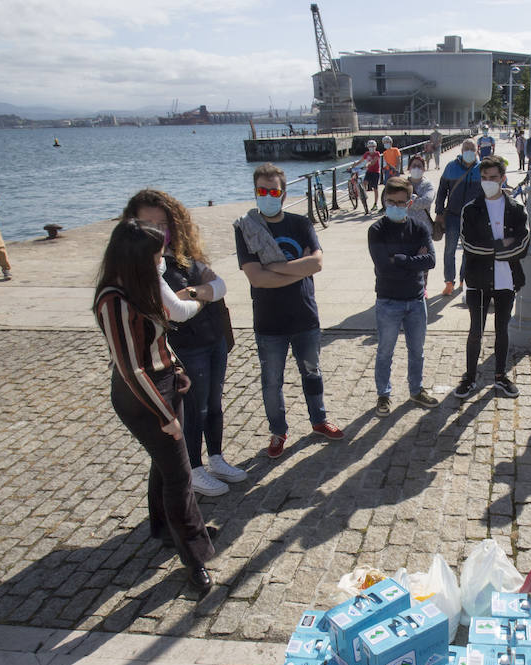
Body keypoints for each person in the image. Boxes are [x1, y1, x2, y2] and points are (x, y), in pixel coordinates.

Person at [93, 219, 215, 596]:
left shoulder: (140, 284)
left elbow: (158, 338)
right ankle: (194, 555)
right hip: (141, 397)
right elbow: (131, 368)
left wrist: (176, 368)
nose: (162, 262)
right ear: (137, 259)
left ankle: (165, 530)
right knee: (179, 475)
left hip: (162, 383)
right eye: (157, 256)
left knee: (165, 466)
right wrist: (165, 416)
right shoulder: (113, 301)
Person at [123, 189, 246, 497]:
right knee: (194, 409)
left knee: (214, 404)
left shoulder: (182, 257)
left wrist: (194, 293)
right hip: (186, 348)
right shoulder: (144, 267)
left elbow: (219, 285)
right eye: (149, 224)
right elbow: (176, 312)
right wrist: (203, 295)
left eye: (163, 224)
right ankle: (194, 468)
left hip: (213, 338)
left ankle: (216, 457)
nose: (158, 231)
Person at [234, 163, 345, 459]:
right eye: (262, 191)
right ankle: (278, 431)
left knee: (312, 372)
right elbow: (257, 278)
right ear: (255, 192)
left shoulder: (301, 224)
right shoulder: (246, 228)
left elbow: (317, 263)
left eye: (273, 191)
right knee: (272, 382)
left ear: (283, 194)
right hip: (269, 321)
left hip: (304, 315)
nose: (267, 196)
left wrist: (275, 267)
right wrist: (299, 268)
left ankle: (319, 420)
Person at [455, 157, 528, 400]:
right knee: (475, 330)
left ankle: (500, 375)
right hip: (477, 279)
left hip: (507, 279)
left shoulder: (517, 208)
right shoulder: (471, 209)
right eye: (484, 178)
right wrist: (502, 245)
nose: (488, 182)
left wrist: (492, 248)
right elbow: (469, 245)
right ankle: (470, 377)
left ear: (503, 178)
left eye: (493, 177)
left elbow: (523, 245)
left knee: (502, 329)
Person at [368, 177, 441, 416]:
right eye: (391, 201)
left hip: (416, 300)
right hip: (388, 300)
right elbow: (383, 267)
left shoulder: (419, 228)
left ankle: (416, 390)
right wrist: (413, 259)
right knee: (385, 351)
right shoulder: (376, 230)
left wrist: (400, 258)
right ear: (384, 200)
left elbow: (430, 260)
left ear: (409, 203)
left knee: (417, 351)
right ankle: (383, 394)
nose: (396, 206)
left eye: (401, 202)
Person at [435, 138, 483, 296]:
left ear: (477, 150)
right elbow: (442, 191)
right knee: (449, 250)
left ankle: (464, 279)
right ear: (461, 151)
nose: (469, 151)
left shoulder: (482, 169)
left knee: (468, 251)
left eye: (472, 148)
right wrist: (439, 211)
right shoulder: (451, 167)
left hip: (473, 218)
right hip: (453, 216)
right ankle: (449, 282)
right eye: (466, 148)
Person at [406, 154, 436, 239]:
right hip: (406, 229)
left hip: (424, 229)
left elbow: (426, 201)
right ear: (409, 168)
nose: (416, 168)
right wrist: (415, 199)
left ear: (424, 169)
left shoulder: (428, 185)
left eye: (419, 166)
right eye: (414, 166)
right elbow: (395, 202)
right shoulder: (402, 184)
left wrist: (408, 201)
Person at [359, 139, 384, 212]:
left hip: (376, 172)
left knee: (375, 188)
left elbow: (373, 162)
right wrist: (353, 165)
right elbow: (360, 161)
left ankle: (375, 204)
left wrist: (367, 165)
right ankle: (364, 195)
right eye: (370, 147)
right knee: (364, 183)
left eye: (373, 146)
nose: (371, 148)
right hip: (369, 171)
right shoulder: (366, 154)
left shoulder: (377, 154)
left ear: (375, 147)